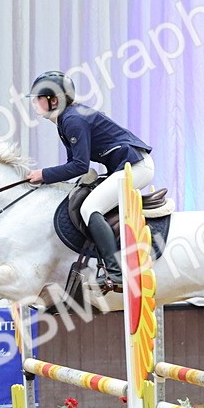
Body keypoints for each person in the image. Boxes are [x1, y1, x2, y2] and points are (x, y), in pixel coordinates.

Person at [25, 71, 154, 288]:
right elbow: (73, 164)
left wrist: (44, 174)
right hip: (125, 166)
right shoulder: (65, 120)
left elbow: (79, 166)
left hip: (136, 167)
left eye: (38, 98)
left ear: (54, 100)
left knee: (90, 208)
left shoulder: (72, 120)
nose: (34, 103)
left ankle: (115, 272)